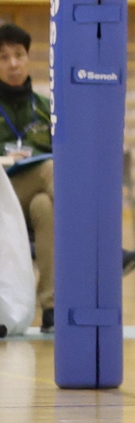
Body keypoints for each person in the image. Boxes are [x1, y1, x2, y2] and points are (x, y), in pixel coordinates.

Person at [0, 22, 52, 332]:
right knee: (51, 171)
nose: (13, 64)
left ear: (28, 58)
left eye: (19, 55)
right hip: (2, 192)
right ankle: (103, 247)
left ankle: (52, 307)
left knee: (45, 205)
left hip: (35, 194)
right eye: (3, 57)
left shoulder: (47, 108)